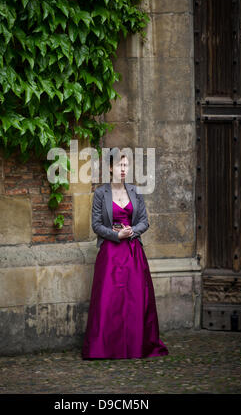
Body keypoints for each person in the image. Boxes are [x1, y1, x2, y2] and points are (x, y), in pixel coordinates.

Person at [82, 147, 169, 359]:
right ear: (110, 168)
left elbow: (144, 221)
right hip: (111, 254)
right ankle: (106, 348)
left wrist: (132, 232)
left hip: (133, 252)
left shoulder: (135, 191)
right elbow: (96, 225)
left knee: (135, 299)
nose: (124, 169)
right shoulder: (101, 194)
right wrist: (115, 236)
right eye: (120, 165)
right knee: (109, 300)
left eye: (126, 165)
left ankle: (136, 345)